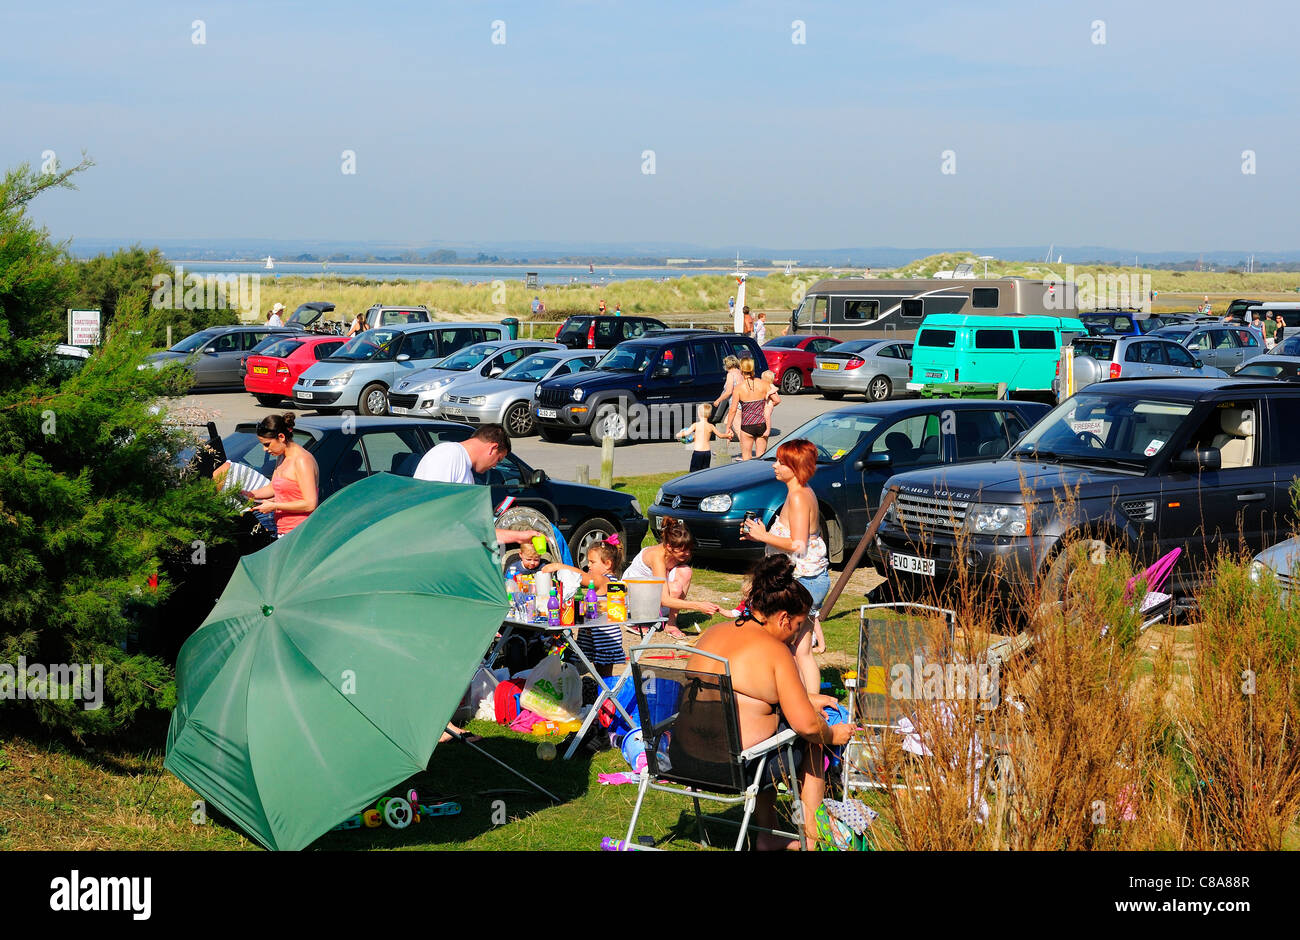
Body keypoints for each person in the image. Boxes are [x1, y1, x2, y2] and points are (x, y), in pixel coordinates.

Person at [682, 555, 851, 849]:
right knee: (810, 738)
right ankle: (810, 836)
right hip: (734, 769)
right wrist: (833, 733)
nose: (797, 635)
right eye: (798, 626)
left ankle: (770, 833)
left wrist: (806, 697)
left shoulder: (713, 633)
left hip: (684, 760)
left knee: (770, 731)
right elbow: (807, 725)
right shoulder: (775, 651)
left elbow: (741, 691)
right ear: (783, 617)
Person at [740, 439, 830, 695]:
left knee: (788, 649)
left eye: (782, 462)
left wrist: (762, 536)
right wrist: (758, 536)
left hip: (802, 581)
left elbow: (798, 544)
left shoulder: (800, 496)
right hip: (809, 579)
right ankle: (809, 704)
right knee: (801, 651)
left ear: (796, 466)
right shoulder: (799, 492)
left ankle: (798, 703)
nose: (775, 466)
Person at [412, 424, 543, 547]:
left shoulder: (462, 465)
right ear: (493, 448)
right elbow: (437, 519)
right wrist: (516, 536)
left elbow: (468, 525)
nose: (495, 466)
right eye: (498, 459)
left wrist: (515, 535)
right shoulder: (449, 455)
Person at [622, 517, 722, 639]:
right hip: (633, 600)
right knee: (674, 588)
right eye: (682, 550)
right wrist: (698, 606)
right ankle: (639, 622)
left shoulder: (674, 553)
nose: (687, 554)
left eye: (689, 549)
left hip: (651, 597)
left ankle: (671, 623)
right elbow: (664, 599)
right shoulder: (657, 557)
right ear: (669, 547)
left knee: (686, 571)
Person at [541, 537, 624, 677]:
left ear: (608, 564)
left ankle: (607, 697)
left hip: (606, 637)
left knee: (604, 675)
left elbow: (582, 577)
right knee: (590, 672)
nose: (588, 565)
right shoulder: (605, 580)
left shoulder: (604, 580)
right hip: (592, 633)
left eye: (592, 562)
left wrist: (559, 566)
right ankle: (599, 695)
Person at [244, 413, 319, 537]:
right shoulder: (281, 457)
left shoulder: (302, 460)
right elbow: (273, 488)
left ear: (281, 437)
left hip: (300, 533)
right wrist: (248, 494)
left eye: (267, 444)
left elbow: (310, 504)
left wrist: (274, 506)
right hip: (283, 531)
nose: (265, 449)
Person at [213, 459, 276, 534]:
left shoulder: (221, 487)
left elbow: (245, 512)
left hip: (266, 508)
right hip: (273, 500)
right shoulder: (230, 466)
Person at [734, 357, 774, 460]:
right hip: (762, 423)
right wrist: (766, 406)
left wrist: (729, 426)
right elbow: (776, 399)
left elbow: (732, 410)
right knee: (761, 458)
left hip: (747, 425)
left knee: (746, 458)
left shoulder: (738, 388)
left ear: (741, 369)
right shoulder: (763, 384)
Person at [677, 403, 720, 473]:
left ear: (699, 414)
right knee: (704, 472)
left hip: (698, 452)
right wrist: (728, 435)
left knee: (694, 472)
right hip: (707, 453)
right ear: (709, 414)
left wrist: (678, 434)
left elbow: (687, 433)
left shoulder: (696, 425)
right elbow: (720, 435)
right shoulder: (711, 426)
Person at [712, 355, 743, 441]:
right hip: (740, 403)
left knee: (738, 430)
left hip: (735, 405)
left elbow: (729, 391)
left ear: (726, 365)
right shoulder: (740, 372)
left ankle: (747, 452)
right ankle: (722, 450)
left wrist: (718, 400)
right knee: (725, 425)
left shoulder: (731, 375)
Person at [755, 371, 782, 457]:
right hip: (769, 404)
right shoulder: (768, 385)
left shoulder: (770, 386)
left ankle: (768, 429)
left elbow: (776, 389)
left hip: (768, 405)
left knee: (766, 416)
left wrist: (768, 393)